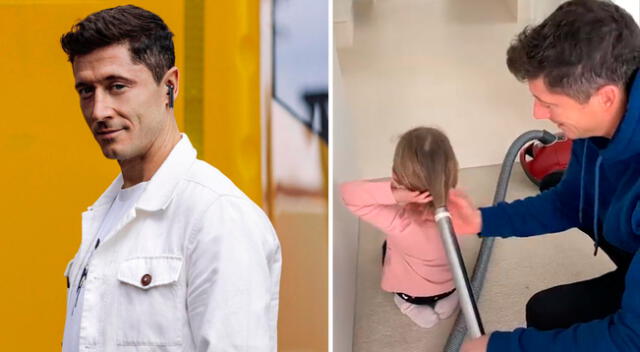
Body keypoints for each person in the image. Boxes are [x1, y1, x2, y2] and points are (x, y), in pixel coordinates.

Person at [59, 5, 281, 351]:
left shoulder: (216, 215)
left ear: (170, 87)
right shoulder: (104, 215)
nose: (99, 111)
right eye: (86, 91)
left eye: (116, 86)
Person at [454, 1, 640, 351]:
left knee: (547, 314)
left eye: (549, 103)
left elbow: (631, 339)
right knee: (562, 186)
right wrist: (481, 219)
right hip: (632, 227)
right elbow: (568, 203)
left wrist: (500, 348)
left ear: (605, 98)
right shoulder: (600, 123)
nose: (537, 112)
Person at [340, 127, 460, 328]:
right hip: (451, 285)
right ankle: (450, 299)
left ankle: (408, 306)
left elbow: (348, 194)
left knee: (386, 248)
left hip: (412, 294)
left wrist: (395, 195)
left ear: (396, 176)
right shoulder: (461, 209)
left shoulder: (398, 221)